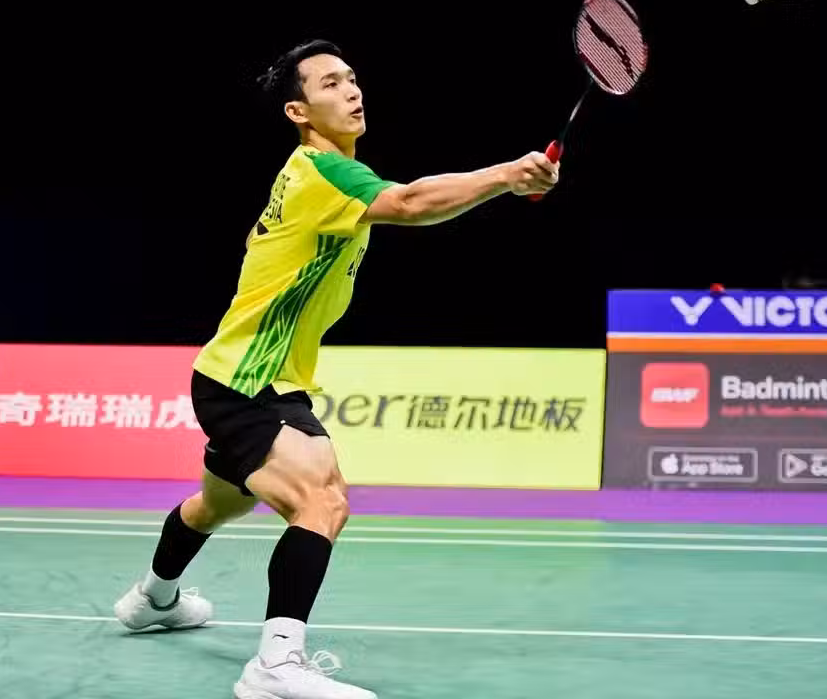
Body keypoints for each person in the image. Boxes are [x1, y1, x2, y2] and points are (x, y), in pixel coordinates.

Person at [113, 39, 559, 699]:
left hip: (237, 374)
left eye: (352, 78)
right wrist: (505, 175)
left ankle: (152, 600)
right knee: (322, 499)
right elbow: (411, 203)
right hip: (250, 383)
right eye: (330, 83)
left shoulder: (324, 174)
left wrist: (504, 184)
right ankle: (275, 667)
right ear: (298, 110)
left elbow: (401, 203)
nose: (352, 90)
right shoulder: (324, 173)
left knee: (216, 504)